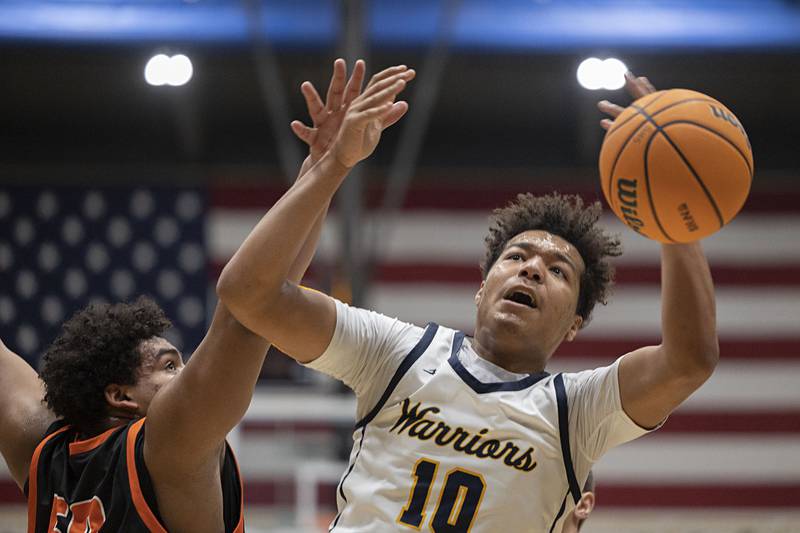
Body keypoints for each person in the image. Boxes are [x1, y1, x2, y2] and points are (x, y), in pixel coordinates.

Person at [217, 64, 719, 531]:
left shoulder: (578, 411)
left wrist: (672, 217)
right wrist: (329, 168)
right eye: (517, 256)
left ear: (574, 324)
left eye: (557, 270)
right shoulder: (397, 352)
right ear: (482, 288)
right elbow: (250, 294)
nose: (533, 268)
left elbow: (688, 361)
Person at [0, 59, 368, 532]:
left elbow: (259, 306)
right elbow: (248, 310)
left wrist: (319, 174)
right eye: (168, 366)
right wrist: (330, 167)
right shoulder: (169, 444)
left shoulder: (42, 452)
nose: (189, 370)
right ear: (121, 396)